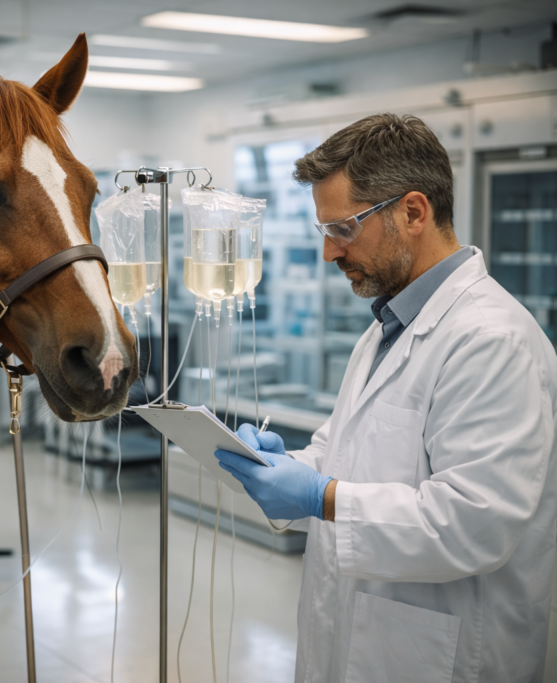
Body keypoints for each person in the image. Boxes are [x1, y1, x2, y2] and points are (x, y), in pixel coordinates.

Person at [215, 114, 557, 683]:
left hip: (441, 655)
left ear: (413, 212)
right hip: (358, 640)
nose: (329, 253)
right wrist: (285, 467)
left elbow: (473, 522)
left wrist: (320, 497)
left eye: (343, 229)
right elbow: (345, 458)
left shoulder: (491, 340)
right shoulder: (387, 328)